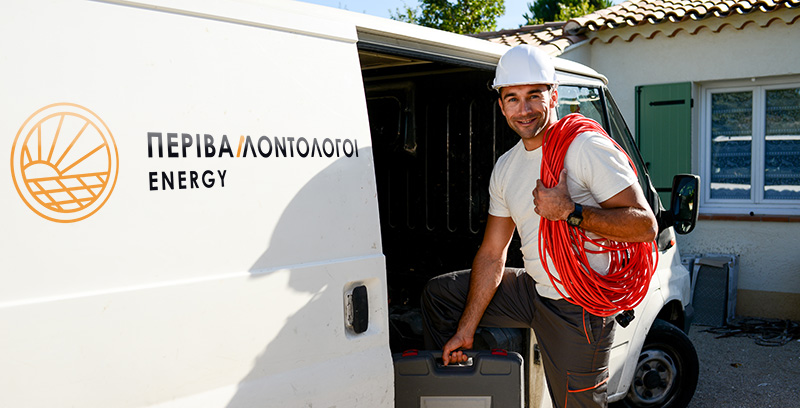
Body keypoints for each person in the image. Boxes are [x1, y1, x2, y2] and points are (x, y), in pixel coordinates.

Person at [420, 44, 658, 407]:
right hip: (535, 290)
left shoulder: (585, 148)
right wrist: (465, 330)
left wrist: (570, 211)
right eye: (512, 98)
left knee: (576, 404)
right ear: (501, 105)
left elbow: (644, 226)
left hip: (578, 305)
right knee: (441, 296)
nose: (524, 109)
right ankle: (463, 392)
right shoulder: (506, 167)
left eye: (534, 95)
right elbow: (491, 252)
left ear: (554, 96)